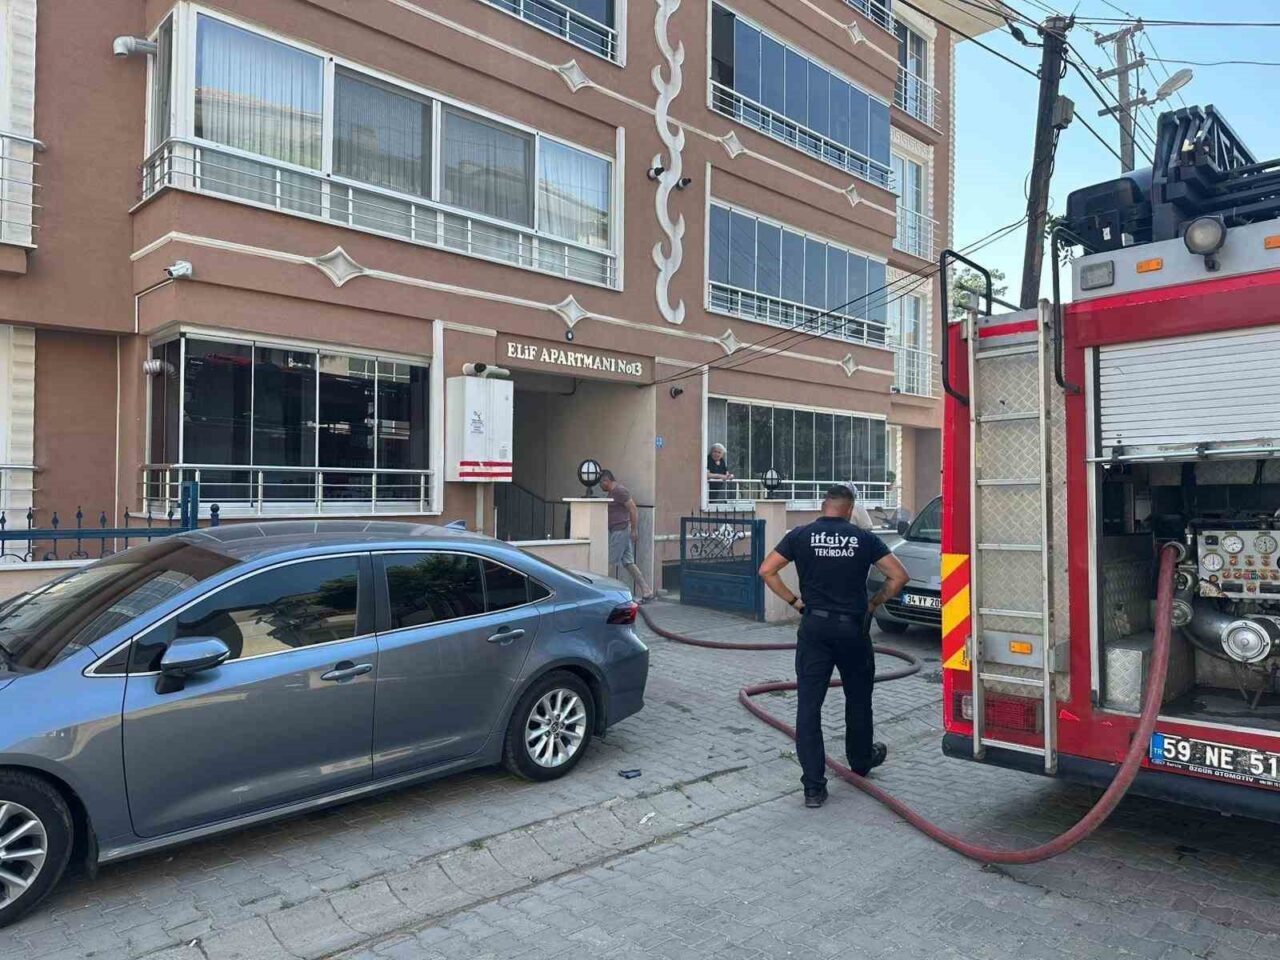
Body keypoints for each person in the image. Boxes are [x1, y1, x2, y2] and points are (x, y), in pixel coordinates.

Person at [758, 483, 910, 808]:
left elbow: (767, 570)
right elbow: (899, 576)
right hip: (852, 630)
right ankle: (860, 761)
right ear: (850, 508)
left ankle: (813, 788)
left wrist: (795, 603)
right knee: (858, 698)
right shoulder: (863, 539)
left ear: (824, 504)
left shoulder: (800, 535)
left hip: (814, 627)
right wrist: (873, 604)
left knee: (809, 707)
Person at [600, 469, 656, 603]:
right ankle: (647, 590)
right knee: (628, 562)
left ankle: (603, 593)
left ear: (606, 480)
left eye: (601, 483)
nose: (600, 486)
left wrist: (634, 529)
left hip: (620, 530)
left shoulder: (620, 491)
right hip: (618, 530)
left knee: (610, 562)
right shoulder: (613, 492)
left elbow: (633, 508)